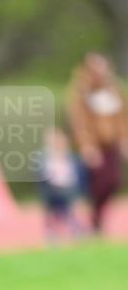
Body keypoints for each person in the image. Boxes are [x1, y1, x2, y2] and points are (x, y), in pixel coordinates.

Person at [67, 53, 128, 233]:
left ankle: (96, 216)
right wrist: (87, 145)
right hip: (94, 147)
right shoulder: (81, 90)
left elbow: (120, 117)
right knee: (97, 184)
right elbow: (79, 121)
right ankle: (94, 220)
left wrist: (124, 138)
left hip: (111, 145)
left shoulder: (113, 89)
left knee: (114, 181)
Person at [37, 128, 83, 242]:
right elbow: (42, 173)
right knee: (53, 213)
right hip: (50, 190)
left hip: (66, 190)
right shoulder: (44, 157)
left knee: (66, 210)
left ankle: (73, 229)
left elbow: (73, 174)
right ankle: (52, 232)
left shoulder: (69, 157)